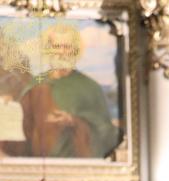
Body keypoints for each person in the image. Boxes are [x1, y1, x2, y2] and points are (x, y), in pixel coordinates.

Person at [18, 22, 120, 158]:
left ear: (75, 51)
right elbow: (24, 126)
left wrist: (73, 121)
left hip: (75, 161)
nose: (61, 52)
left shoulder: (89, 87)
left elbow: (105, 132)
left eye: (66, 47)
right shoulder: (35, 84)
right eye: (56, 46)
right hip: (38, 161)